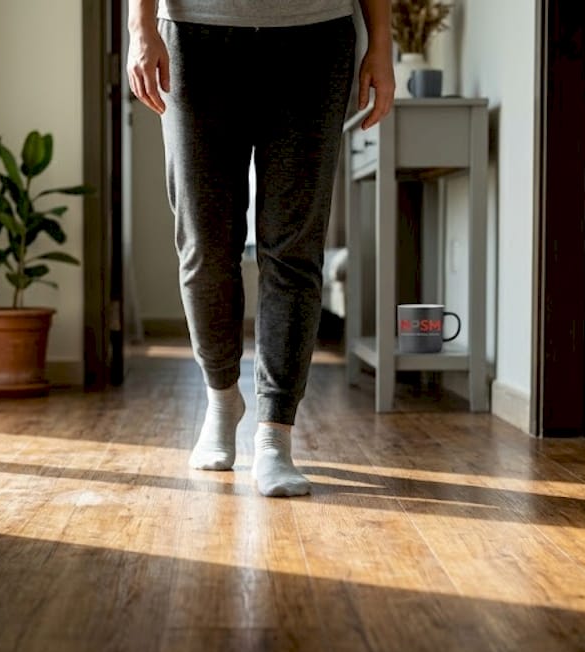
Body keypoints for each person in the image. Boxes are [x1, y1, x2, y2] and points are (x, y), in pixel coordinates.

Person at [129, 0, 395, 497]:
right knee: (203, 244)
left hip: (315, 35)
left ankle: (276, 434)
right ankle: (222, 397)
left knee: (294, 248)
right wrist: (140, 25)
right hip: (194, 32)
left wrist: (381, 43)